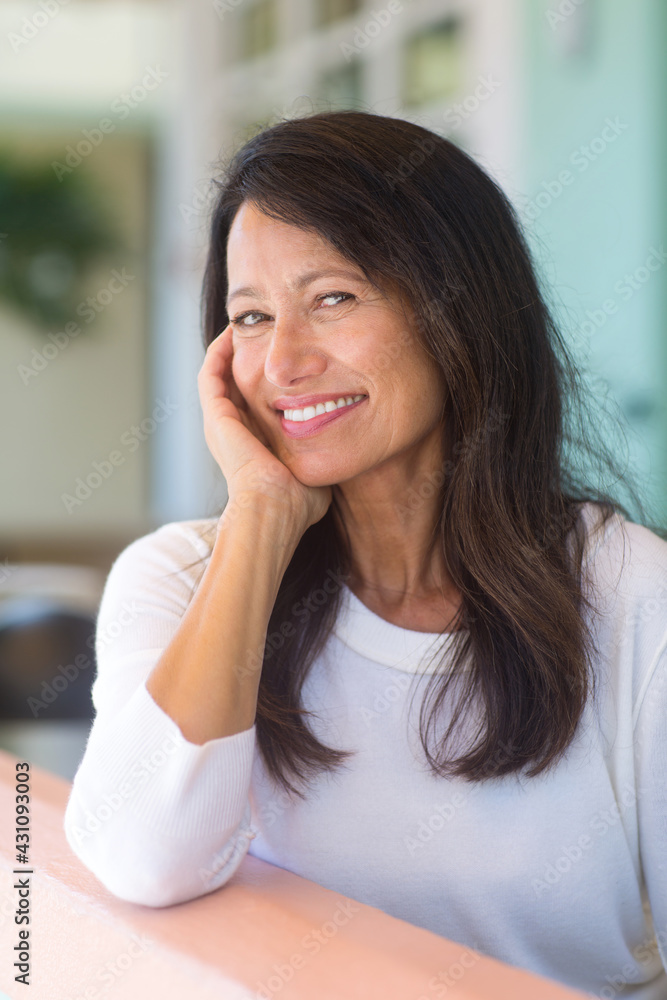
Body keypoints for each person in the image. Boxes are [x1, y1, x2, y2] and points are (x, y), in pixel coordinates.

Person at [64, 110, 667, 997]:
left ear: (461, 308)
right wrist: (261, 520)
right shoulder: (179, 578)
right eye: (252, 317)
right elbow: (143, 860)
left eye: (333, 298)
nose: (284, 363)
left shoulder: (633, 594)